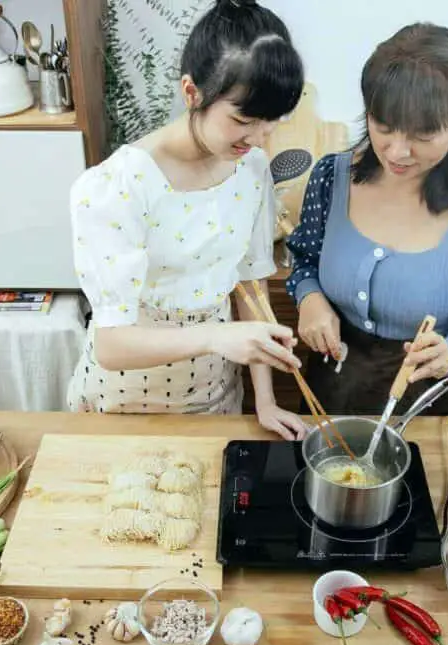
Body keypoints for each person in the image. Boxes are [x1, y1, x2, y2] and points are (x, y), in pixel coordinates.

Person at [68, 0, 309, 439]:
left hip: (216, 390)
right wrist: (218, 337)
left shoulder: (251, 168)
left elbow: (250, 286)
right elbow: (112, 345)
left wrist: (266, 401)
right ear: (191, 92)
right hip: (128, 397)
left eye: (271, 123)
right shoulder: (119, 184)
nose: (258, 138)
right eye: (244, 120)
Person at [285, 23, 448, 416]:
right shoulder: (332, 177)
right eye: (384, 126)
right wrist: (309, 298)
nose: (397, 151)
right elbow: (305, 260)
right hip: (327, 392)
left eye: (423, 134)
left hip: (424, 404)